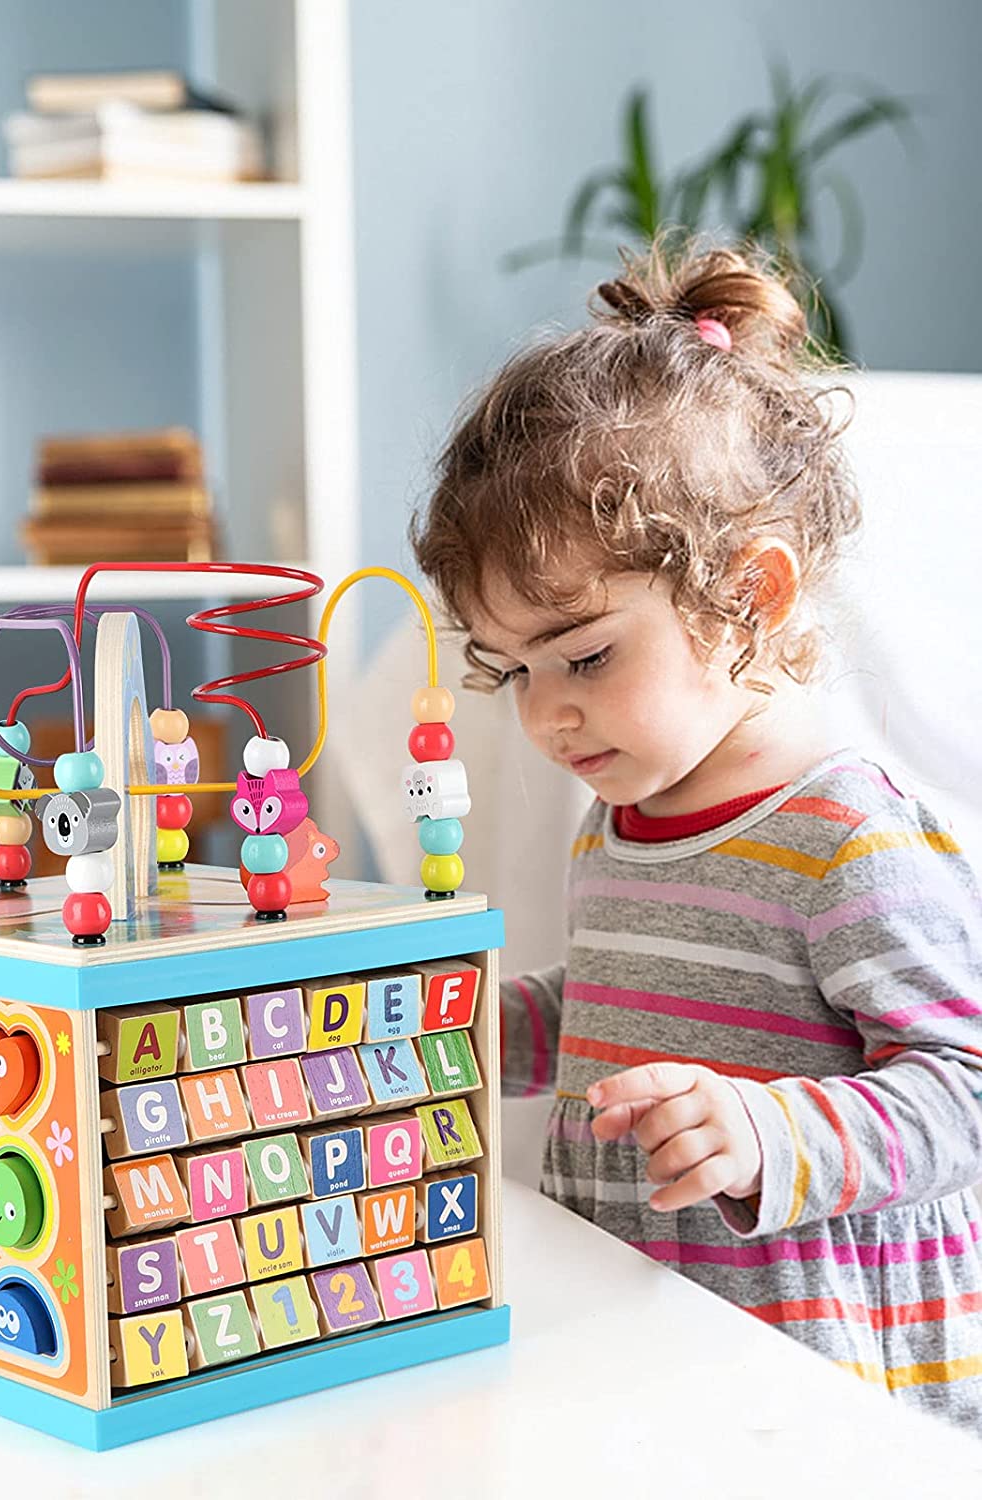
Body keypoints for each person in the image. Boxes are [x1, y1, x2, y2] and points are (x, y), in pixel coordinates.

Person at [410, 243, 982, 1429]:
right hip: (644, 1344)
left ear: (753, 596)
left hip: (819, 1384)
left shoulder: (844, 839)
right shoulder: (618, 822)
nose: (544, 715)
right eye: (512, 672)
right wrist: (467, 1027)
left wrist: (772, 1132)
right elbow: (616, 1005)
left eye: (584, 656)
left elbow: (963, 1092)